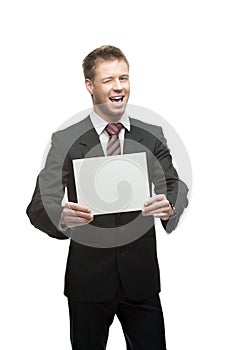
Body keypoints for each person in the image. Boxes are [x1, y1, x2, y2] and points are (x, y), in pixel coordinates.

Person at [26, 45, 189, 350]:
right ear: (90, 85)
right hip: (88, 281)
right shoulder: (65, 140)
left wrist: (168, 205)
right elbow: (38, 205)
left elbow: (174, 185)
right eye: (108, 80)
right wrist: (61, 216)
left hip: (141, 280)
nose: (118, 87)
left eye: (124, 78)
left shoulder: (151, 134)